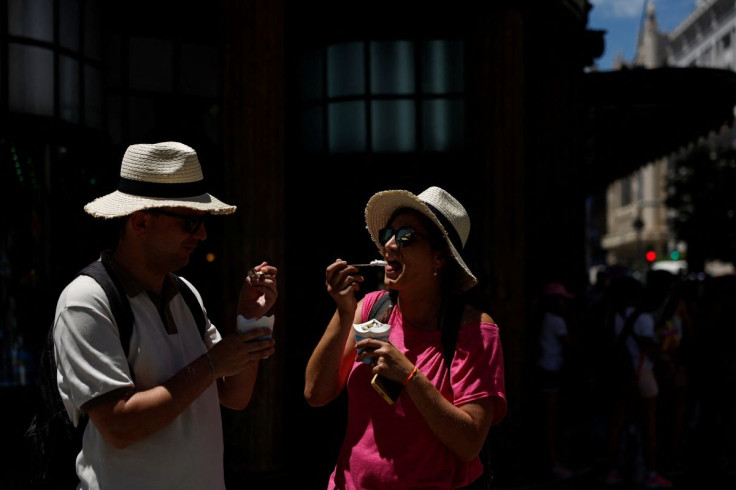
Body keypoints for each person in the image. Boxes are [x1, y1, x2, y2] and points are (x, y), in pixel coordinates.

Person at [53, 141, 277, 489]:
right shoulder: (86, 300)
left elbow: (234, 396)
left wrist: (250, 319)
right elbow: (119, 425)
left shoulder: (186, 294)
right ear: (141, 222)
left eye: (203, 222)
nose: (202, 235)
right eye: (190, 222)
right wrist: (212, 364)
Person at [304, 186, 507, 489]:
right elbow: (315, 393)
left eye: (406, 237)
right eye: (388, 233)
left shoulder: (473, 330)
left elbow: (469, 444)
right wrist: (344, 313)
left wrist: (410, 376)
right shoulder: (372, 309)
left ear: (439, 258)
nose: (388, 245)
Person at [602, 276, 671, 489]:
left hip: (622, 374)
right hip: (643, 373)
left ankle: (612, 471)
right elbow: (650, 347)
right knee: (649, 424)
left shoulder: (615, 317)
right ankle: (650, 473)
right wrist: (665, 344)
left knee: (617, 423)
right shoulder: (644, 319)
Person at [535, 282, 575, 480]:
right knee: (550, 420)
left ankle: (553, 460)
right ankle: (553, 462)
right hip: (551, 370)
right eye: (561, 300)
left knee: (550, 418)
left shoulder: (544, 319)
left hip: (547, 369)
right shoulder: (556, 321)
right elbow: (570, 346)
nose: (564, 304)